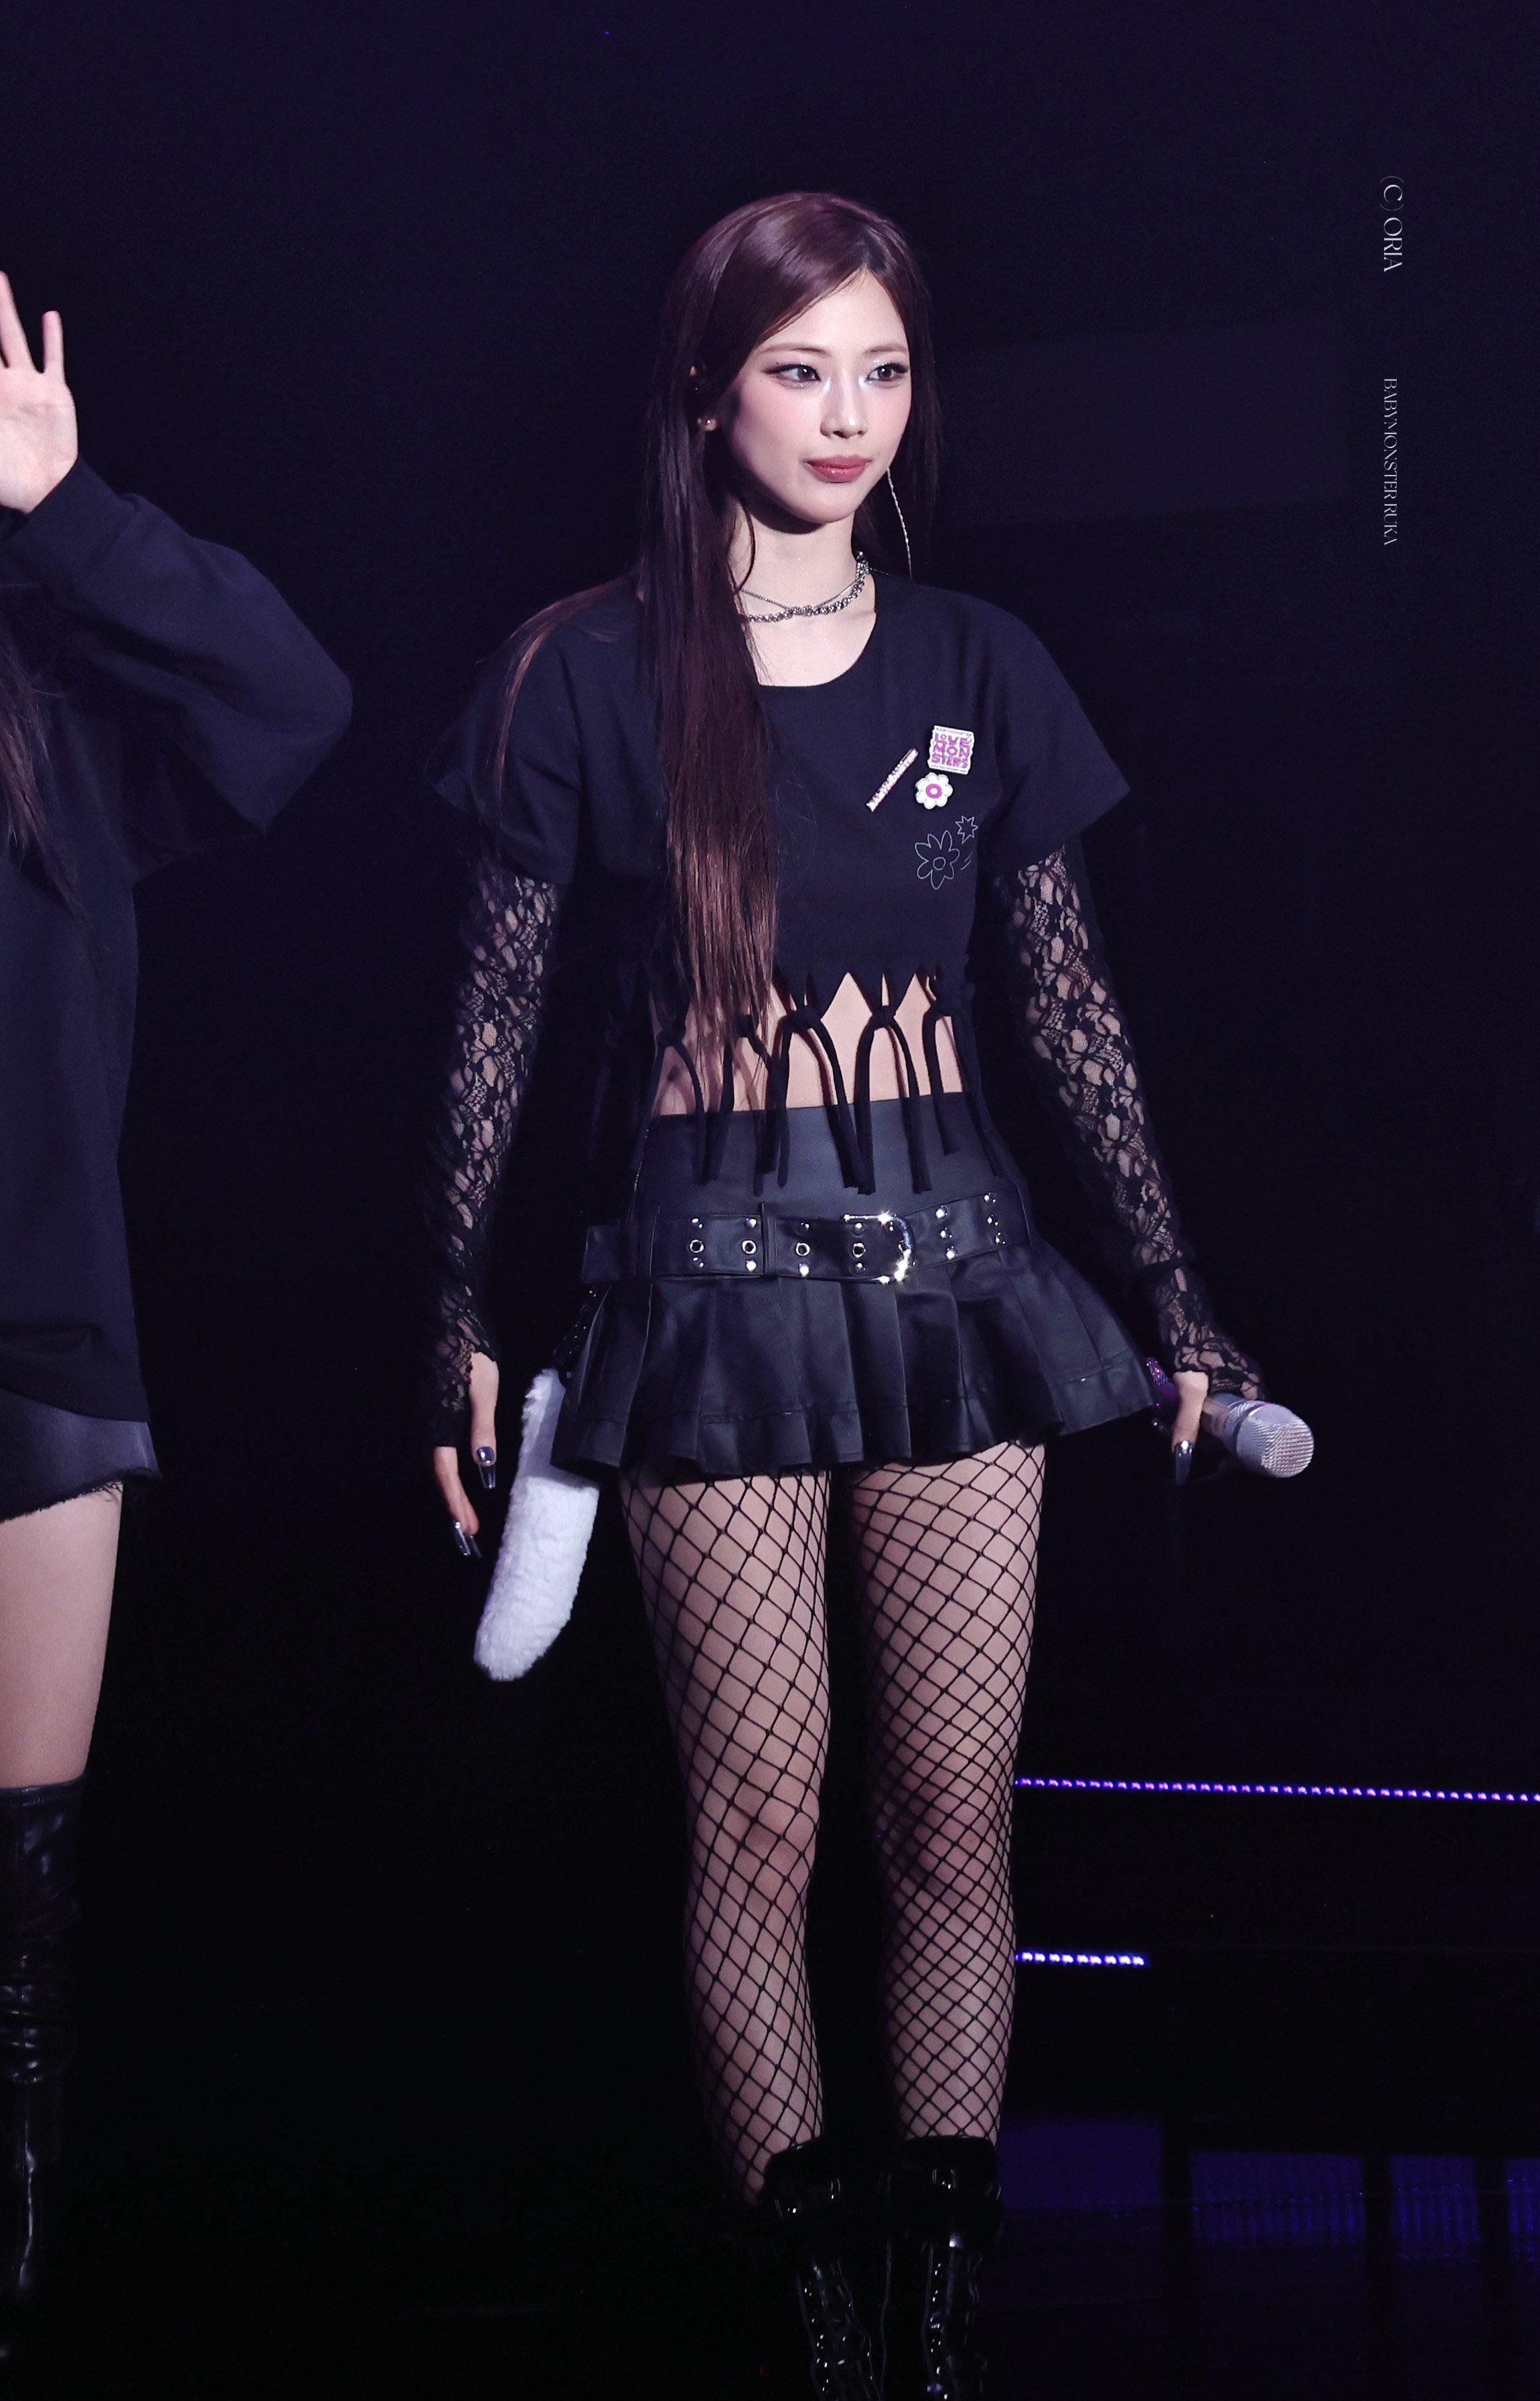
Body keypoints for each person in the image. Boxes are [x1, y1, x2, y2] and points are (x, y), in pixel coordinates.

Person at [424, 194, 1260, 2400]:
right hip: (705, 1296)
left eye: (883, 370)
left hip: (960, 1285)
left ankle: (942, 2338)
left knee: (952, 1823)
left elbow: (1072, 1011)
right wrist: (454, 1313)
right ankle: (817, 2340)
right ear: (710, 387)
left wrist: (1181, 1299)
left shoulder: (983, 660)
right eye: (802, 368)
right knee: (761, 1825)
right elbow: (496, 1028)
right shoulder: (580, 671)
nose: (848, 413)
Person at [0, 271, 352, 2358]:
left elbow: (288, 705)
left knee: (18, 1910)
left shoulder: (52, 728)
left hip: (35, 1354)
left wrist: (65, 506)